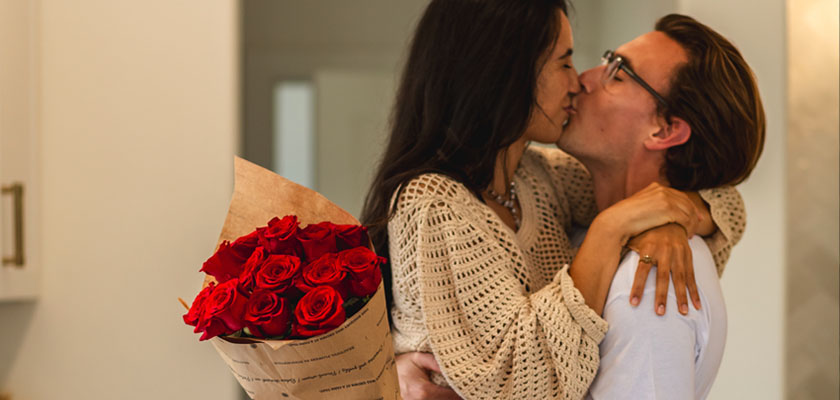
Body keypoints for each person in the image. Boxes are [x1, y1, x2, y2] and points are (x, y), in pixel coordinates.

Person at [360, 1, 745, 398]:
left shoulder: (538, 179)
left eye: (617, 71)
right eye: (564, 62)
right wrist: (610, 228)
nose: (578, 81)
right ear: (504, 74)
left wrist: (674, 216)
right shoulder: (434, 204)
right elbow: (523, 382)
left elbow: (724, 199)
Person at [555, 14, 764, 399]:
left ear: (665, 130)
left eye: (617, 74)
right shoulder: (574, 215)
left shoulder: (651, 287)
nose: (582, 78)